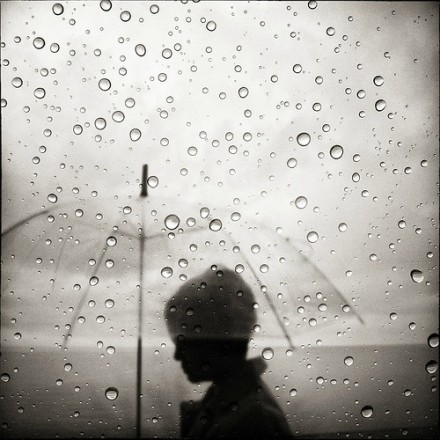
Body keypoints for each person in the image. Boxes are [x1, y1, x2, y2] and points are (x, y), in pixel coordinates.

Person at [165, 266, 293, 438]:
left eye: (184, 342)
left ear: (221, 340)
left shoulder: (253, 423)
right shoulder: (229, 403)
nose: (177, 356)